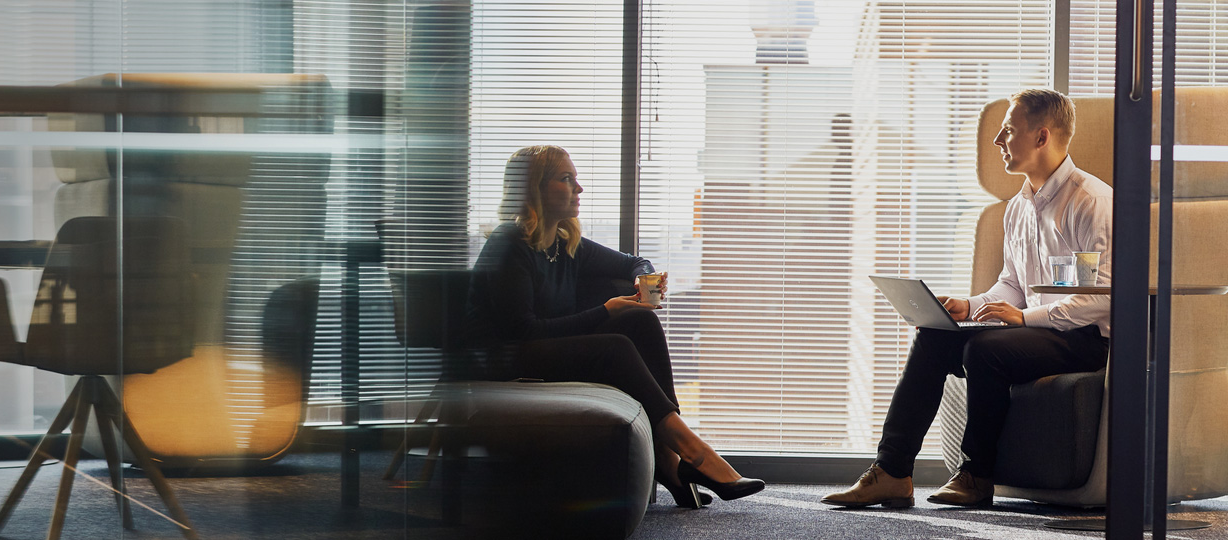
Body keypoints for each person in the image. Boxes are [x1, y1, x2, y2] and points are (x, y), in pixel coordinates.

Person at [821, 89, 1113, 508]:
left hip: (1084, 338)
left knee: (985, 349)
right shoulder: (1019, 208)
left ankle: (976, 476)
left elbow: (1094, 300)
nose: (997, 141)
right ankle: (892, 471)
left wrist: (1023, 318)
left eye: (1008, 131)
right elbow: (1012, 284)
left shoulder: (1088, 203)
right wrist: (970, 306)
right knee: (935, 334)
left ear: (1041, 137)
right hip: (1041, 328)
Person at [467, 144, 765, 508]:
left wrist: (644, 282)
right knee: (615, 345)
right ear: (535, 188)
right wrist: (605, 311)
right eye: (567, 179)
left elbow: (635, 261)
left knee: (640, 318)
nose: (579, 189)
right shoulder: (509, 244)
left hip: (541, 351)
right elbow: (523, 334)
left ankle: (671, 462)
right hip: (508, 362)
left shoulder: (564, 242)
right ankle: (693, 454)